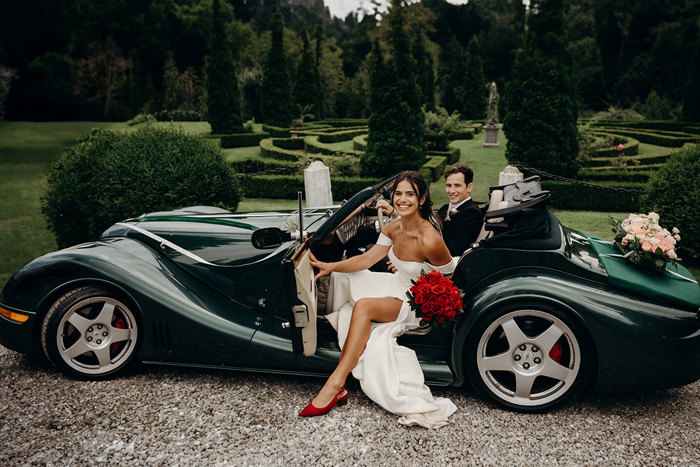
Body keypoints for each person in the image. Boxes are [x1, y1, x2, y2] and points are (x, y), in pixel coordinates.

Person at [302, 171, 458, 429]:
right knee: (345, 279)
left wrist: (425, 290)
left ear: (422, 199)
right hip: (397, 285)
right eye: (398, 193)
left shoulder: (430, 239)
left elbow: (449, 279)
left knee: (363, 306)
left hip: (417, 301)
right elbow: (367, 259)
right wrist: (331, 266)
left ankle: (336, 383)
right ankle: (320, 332)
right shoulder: (393, 227)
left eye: (410, 194)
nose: (402, 199)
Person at [437, 164, 483, 256]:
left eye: (457, 185)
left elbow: (454, 250)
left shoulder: (471, 214)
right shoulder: (445, 208)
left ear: (469, 187)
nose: (451, 191)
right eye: (449, 185)